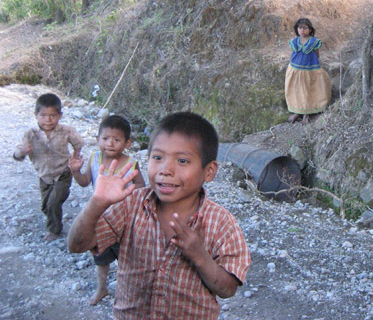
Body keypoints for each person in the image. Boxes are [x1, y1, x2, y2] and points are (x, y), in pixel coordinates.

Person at [67, 112, 251, 319]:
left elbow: (228, 290)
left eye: (182, 161)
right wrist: (97, 203)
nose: (165, 170)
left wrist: (200, 256)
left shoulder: (221, 222)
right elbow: (76, 245)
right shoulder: (131, 205)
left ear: (209, 171)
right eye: (157, 157)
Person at [69, 114, 146, 306]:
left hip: (123, 221)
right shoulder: (95, 158)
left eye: (117, 139)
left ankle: (125, 292)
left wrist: (124, 190)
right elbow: (85, 182)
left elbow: (143, 188)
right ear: (97, 140)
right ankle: (101, 288)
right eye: (105, 138)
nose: (110, 143)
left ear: (127, 143)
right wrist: (76, 172)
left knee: (125, 258)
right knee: (99, 256)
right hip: (100, 217)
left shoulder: (131, 164)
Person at [13, 93, 84, 241]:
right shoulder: (30, 134)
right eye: (43, 115)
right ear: (36, 115)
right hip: (44, 175)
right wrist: (23, 151)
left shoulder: (66, 131)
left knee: (53, 202)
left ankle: (54, 230)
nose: (48, 120)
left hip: (63, 172)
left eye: (53, 115)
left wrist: (76, 156)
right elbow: (17, 154)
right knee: (46, 206)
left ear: (60, 116)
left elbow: (78, 143)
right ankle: (53, 216)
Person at [285, 18, 331, 124]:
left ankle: (306, 113)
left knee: (308, 91)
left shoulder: (314, 42)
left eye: (305, 28)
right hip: (295, 70)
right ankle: (297, 112)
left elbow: (317, 55)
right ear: (297, 29)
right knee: (295, 91)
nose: (302, 30)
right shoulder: (294, 41)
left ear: (310, 29)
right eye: (300, 28)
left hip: (310, 70)